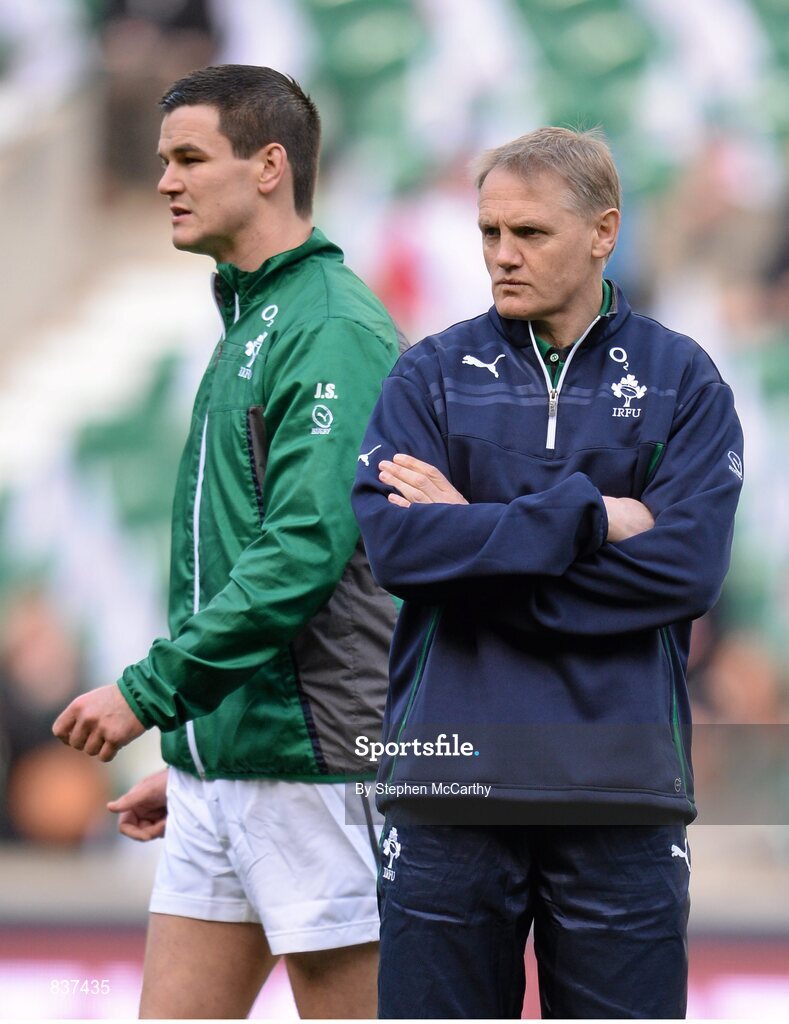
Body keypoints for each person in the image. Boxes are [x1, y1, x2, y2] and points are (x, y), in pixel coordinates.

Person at [352, 127, 744, 1019]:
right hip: (447, 781)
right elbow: (397, 552)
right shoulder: (429, 376)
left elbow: (682, 573)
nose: (501, 255)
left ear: (603, 232)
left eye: (527, 234)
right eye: (488, 232)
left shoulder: (684, 381)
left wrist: (476, 548)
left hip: (618, 786)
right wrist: (589, 516)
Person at [53, 64, 400, 1019]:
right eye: (164, 160)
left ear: (269, 167)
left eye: (189, 158)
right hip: (230, 766)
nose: (165, 179)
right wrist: (204, 741)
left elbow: (303, 551)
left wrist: (150, 695)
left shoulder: (331, 326)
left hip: (317, 764)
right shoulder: (252, 321)